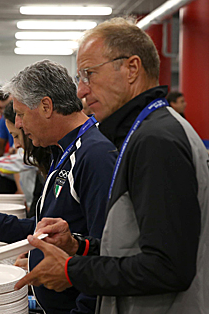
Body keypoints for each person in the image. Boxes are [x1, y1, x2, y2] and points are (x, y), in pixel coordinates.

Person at [15, 17, 209, 314]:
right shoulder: (143, 131)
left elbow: (168, 268)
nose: (81, 91)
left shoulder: (156, 140)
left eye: (88, 74)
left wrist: (73, 272)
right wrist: (79, 247)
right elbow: (135, 244)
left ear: (131, 69)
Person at [0, 60, 117, 313]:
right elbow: (45, 228)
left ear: (46, 106)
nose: (17, 124)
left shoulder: (94, 156)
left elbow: (104, 255)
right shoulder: (62, 151)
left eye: (20, 113)